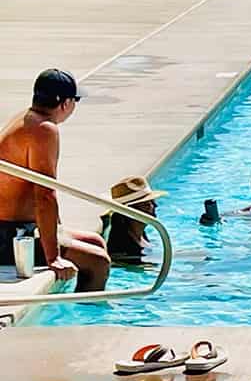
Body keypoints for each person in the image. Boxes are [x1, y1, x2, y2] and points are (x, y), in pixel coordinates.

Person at [0, 69, 110, 292]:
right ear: (65, 103)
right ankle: (90, 320)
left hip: (19, 228)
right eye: (75, 100)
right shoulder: (44, 130)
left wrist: (57, 232)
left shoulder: (27, 118)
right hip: (10, 238)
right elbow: (45, 194)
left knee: (97, 242)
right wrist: (53, 257)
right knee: (98, 262)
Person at [104, 175, 164, 264]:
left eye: (153, 201)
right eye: (148, 204)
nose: (155, 206)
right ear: (132, 212)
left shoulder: (138, 233)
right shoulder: (121, 247)